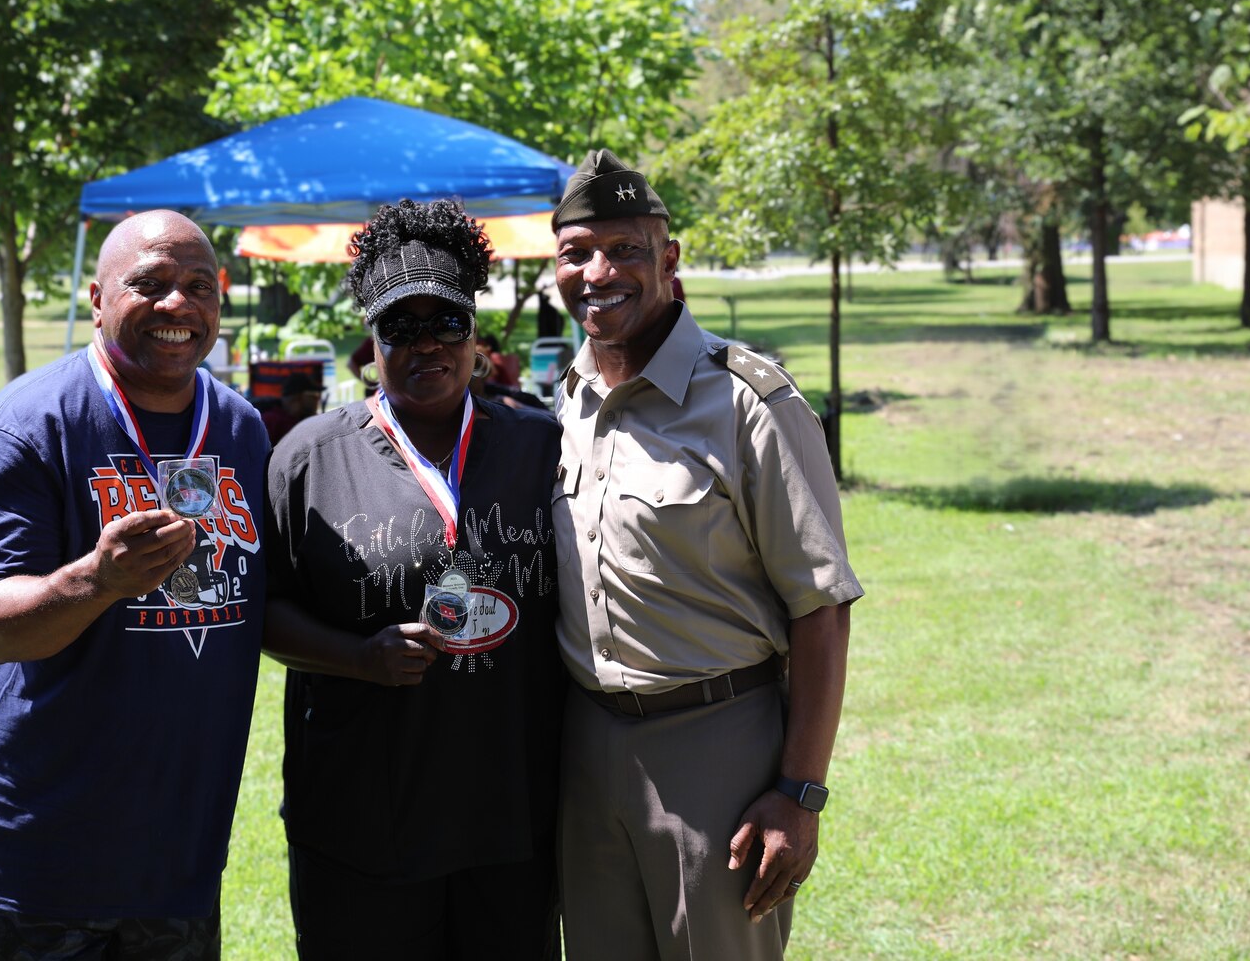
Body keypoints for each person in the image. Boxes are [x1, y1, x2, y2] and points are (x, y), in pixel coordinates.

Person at [0, 210, 269, 960]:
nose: (177, 305)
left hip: (174, 861)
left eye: (198, 287)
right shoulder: (27, 425)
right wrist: (97, 580)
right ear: (98, 297)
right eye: (149, 283)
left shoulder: (241, 429)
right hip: (33, 860)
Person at [548, 151, 862, 961]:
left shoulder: (749, 402)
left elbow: (821, 608)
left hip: (718, 750)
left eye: (624, 249)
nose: (598, 272)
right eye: (576, 253)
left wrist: (800, 794)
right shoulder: (565, 400)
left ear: (669, 259)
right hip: (587, 749)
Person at [263, 197, 564, 961]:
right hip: (364, 823)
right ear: (370, 343)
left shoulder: (540, 445)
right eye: (399, 326)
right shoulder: (308, 459)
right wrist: (356, 655)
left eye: (447, 323)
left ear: (476, 333)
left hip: (510, 821)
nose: (425, 344)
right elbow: (262, 612)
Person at [261, 372, 325, 444]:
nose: (318, 399)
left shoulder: (300, 420)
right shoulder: (271, 422)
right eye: (314, 395)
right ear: (297, 398)